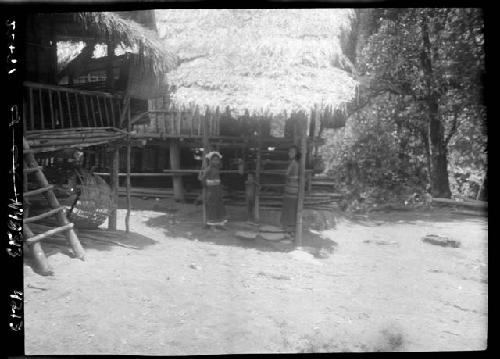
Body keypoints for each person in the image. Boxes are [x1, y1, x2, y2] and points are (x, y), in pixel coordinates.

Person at [198, 151, 227, 228]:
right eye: (214, 160)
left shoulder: (217, 169)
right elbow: (203, 180)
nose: (216, 161)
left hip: (217, 191)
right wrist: (210, 183)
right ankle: (212, 226)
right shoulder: (208, 169)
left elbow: (218, 179)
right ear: (210, 161)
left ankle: (220, 224)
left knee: (219, 207)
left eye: (217, 160)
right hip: (211, 192)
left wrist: (218, 184)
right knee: (212, 207)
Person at [280, 145, 300, 234]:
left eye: (292, 152)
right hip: (293, 187)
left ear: (296, 154)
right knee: (291, 206)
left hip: (291, 187)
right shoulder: (295, 162)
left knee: (289, 206)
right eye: (289, 151)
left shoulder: (293, 163)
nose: (289, 153)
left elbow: (286, 174)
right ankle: (290, 228)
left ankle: (289, 229)